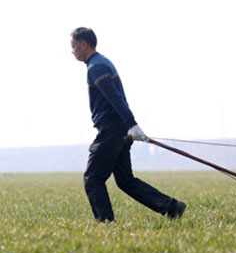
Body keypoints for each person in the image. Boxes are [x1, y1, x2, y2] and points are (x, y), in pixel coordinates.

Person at [70, 27, 187, 222]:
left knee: (93, 179)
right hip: (119, 129)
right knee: (125, 180)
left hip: (112, 130)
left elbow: (115, 99)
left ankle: (106, 223)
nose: (72, 51)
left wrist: (132, 125)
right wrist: (129, 127)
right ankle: (172, 207)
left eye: (73, 46)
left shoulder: (96, 67)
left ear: (83, 45)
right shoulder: (101, 62)